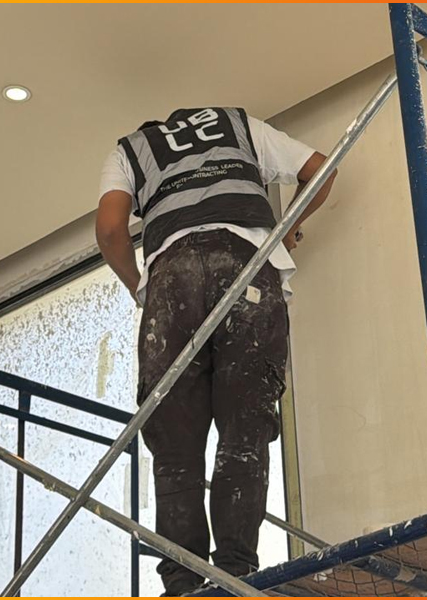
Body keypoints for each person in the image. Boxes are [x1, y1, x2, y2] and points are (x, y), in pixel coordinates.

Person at [96, 107, 336, 596]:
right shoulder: (238, 125)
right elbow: (320, 168)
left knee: (175, 444)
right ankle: (235, 575)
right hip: (246, 265)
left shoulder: (131, 150)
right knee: (243, 432)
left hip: (172, 278)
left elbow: (109, 229)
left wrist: (142, 287)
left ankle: (182, 583)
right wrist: (286, 230)